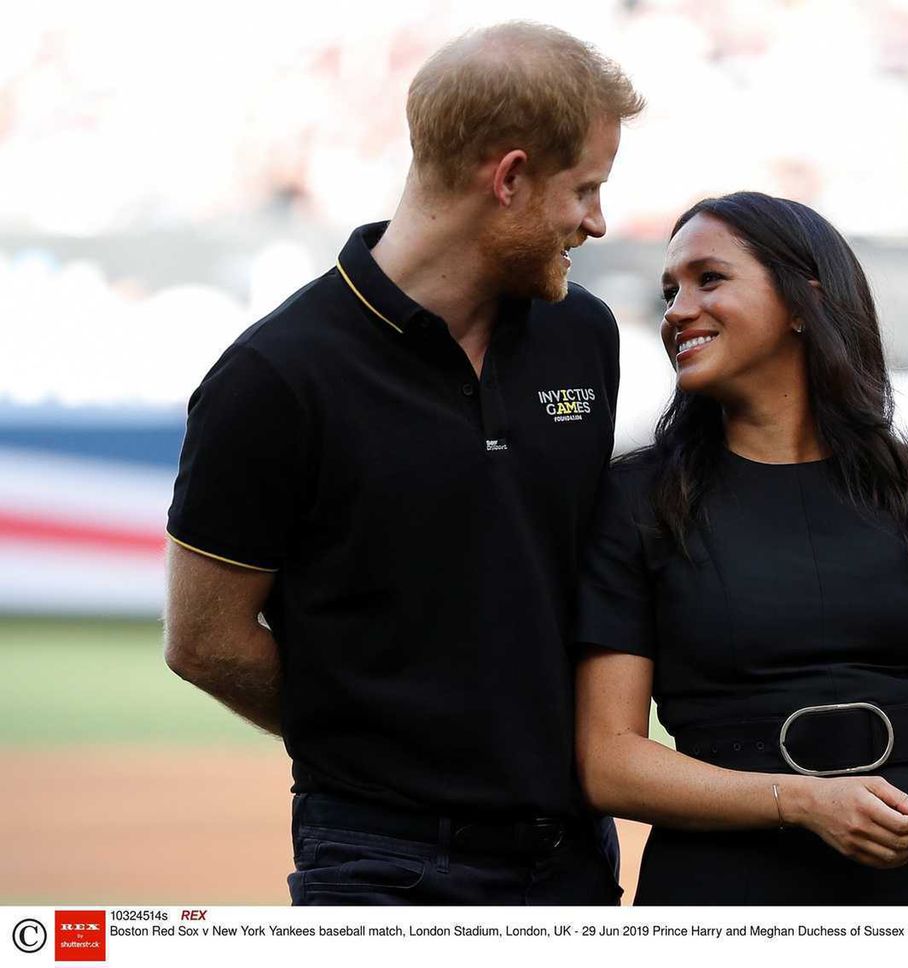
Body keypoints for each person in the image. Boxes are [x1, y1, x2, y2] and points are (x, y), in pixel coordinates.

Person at [163, 22, 643, 906]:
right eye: (586, 189)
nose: (598, 223)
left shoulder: (584, 335)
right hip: (378, 860)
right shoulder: (274, 377)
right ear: (509, 178)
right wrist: (383, 749)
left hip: (573, 855)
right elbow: (204, 641)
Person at [575, 192, 908, 905]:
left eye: (709, 279)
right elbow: (610, 762)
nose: (676, 310)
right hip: (725, 890)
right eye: (671, 290)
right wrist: (803, 802)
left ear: (802, 301)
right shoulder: (636, 501)